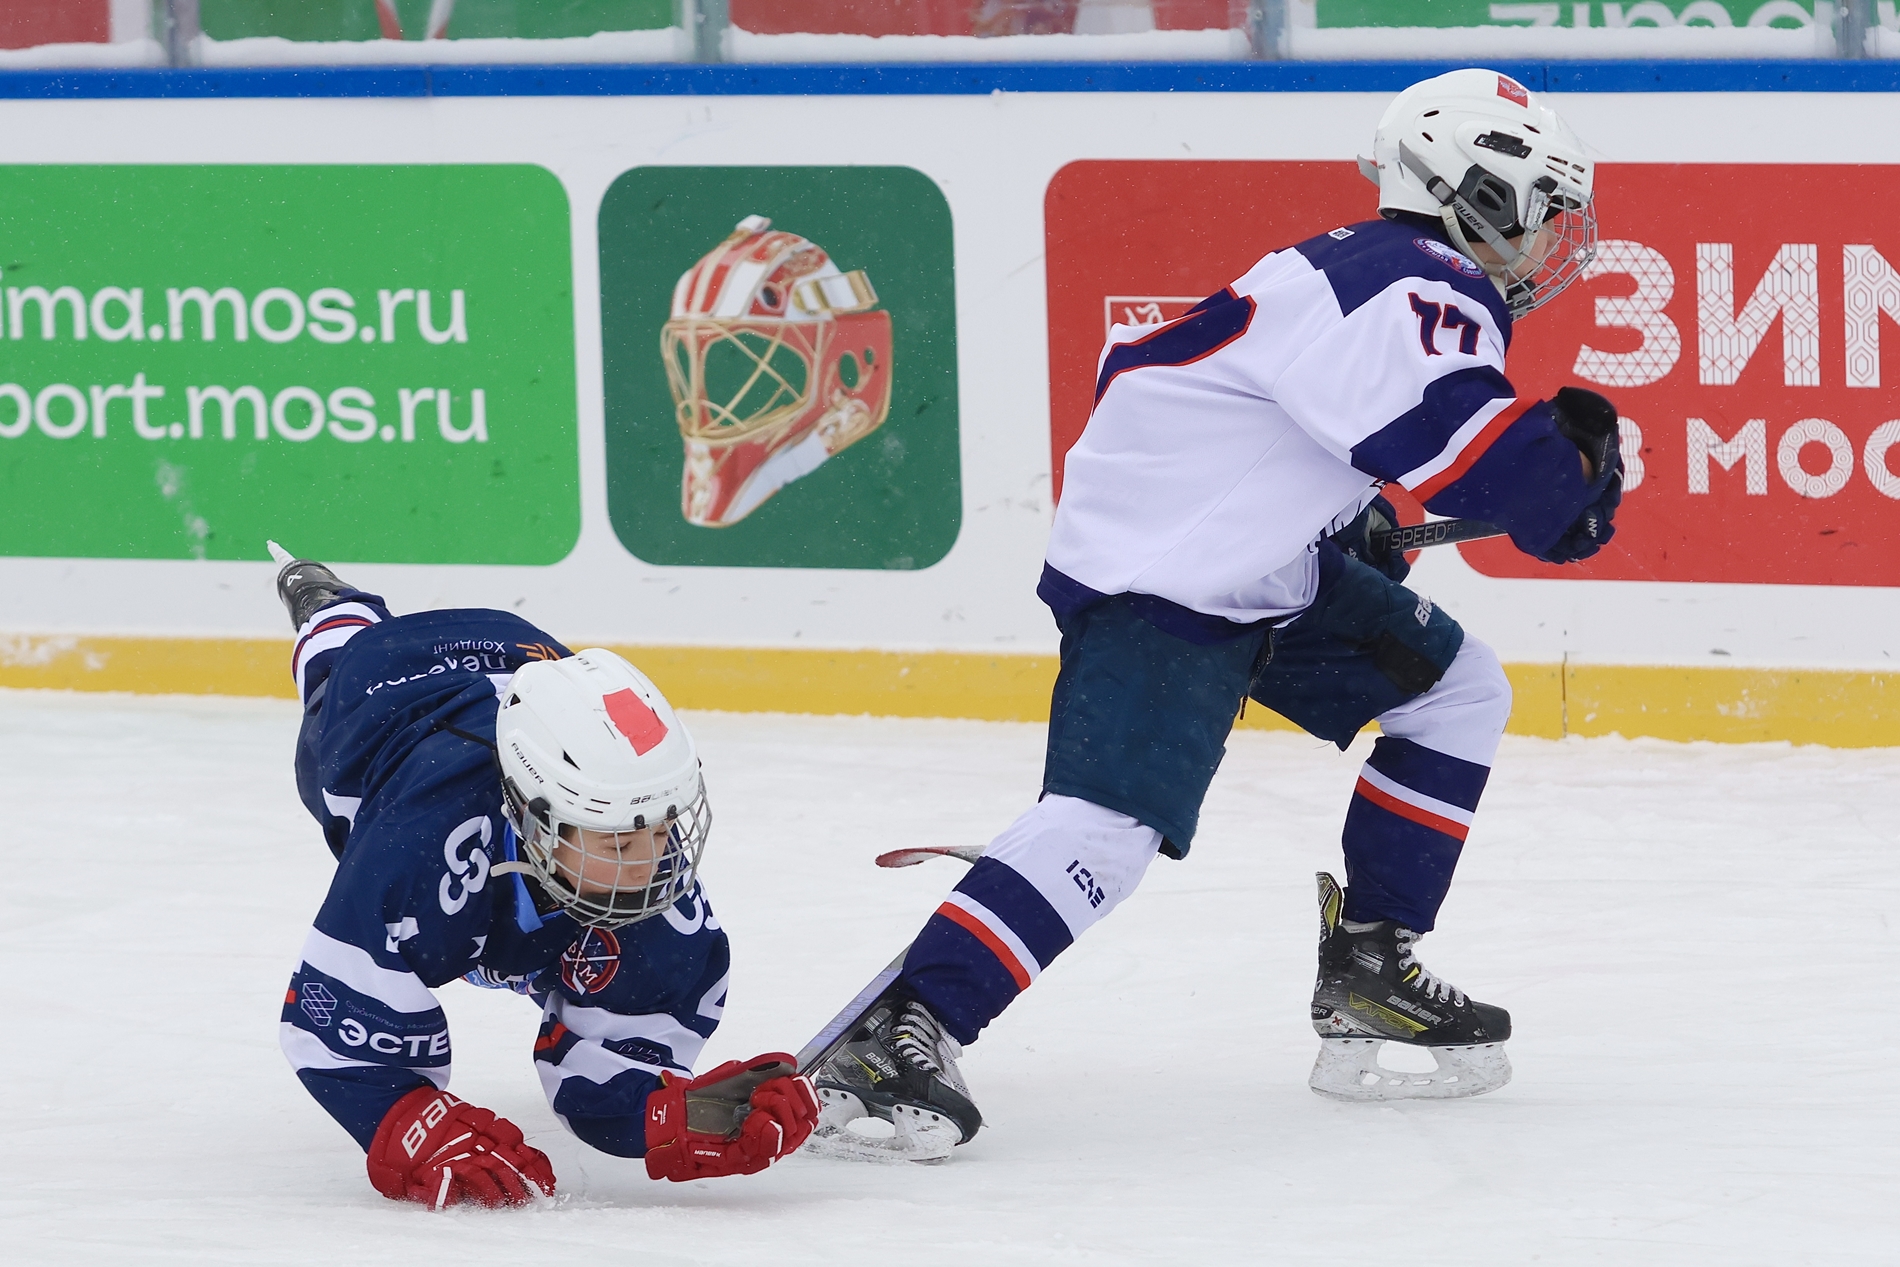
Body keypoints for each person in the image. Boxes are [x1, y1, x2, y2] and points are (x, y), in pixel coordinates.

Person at [806, 68, 1624, 1158]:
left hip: (1249, 564)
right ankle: (909, 1023)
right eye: (1538, 212)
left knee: (1457, 689)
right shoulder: (1419, 280)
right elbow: (1492, 475)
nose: (1547, 243)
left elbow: (1229, 403)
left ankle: (1371, 963)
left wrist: (1335, 524)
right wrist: (1572, 474)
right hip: (1172, 576)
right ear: (1471, 192)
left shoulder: (1369, 268)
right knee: (1107, 829)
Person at [272, 547, 817, 1207]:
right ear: (535, 820)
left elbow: (603, 1085)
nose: (650, 863)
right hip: (390, 684)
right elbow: (328, 1019)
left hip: (524, 655)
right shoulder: (414, 849)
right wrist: (405, 1120)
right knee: (332, 677)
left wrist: (670, 1113)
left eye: (662, 825)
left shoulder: (657, 894)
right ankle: (326, 604)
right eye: (618, 837)